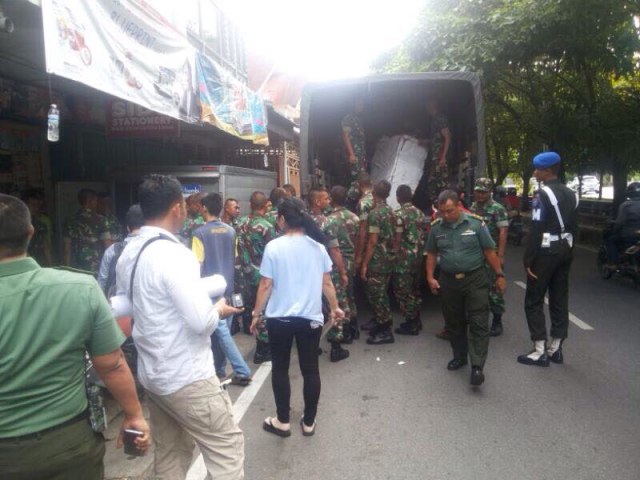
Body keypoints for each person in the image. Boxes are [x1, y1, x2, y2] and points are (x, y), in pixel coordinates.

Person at [0, 194, 150, 479]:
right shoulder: (79, 288)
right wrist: (134, 416)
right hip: (69, 447)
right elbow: (112, 364)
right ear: (31, 232)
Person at [115, 175, 244, 479]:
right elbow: (202, 322)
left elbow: (139, 305)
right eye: (186, 205)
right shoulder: (175, 255)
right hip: (188, 377)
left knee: (171, 452)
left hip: (154, 376)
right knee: (226, 446)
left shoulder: (129, 252)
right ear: (176, 208)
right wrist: (218, 308)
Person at [250, 197, 345, 437]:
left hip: (279, 320)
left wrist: (256, 313)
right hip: (311, 319)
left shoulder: (274, 246)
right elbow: (326, 283)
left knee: (280, 368)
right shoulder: (318, 247)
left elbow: (265, 285)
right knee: (310, 369)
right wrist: (335, 308)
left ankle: (282, 421)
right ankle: (309, 422)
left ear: (281, 219)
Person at [425, 190, 506, 386]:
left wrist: (499, 274)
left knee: (478, 320)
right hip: (449, 281)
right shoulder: (436, 227)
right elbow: (431, 253)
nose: (446, 215)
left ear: (459, 206)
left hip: (475, 279)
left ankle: (477, 366)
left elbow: (489, 251)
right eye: (442, 211)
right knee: (454, 321)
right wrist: (430, 277)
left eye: (450, 211)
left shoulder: (476, 224)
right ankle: (460, 356)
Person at [519, 152, 577, 367]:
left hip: (545, 252)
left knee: (533, 300)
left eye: (537, 169)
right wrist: (569, 252)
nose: (535, 173)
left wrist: (528, 260)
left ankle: (539, 350)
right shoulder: (572, 194)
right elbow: (574, 227)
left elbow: (537, 228)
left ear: (547, 171)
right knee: (559, 298)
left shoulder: (542, 194)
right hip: (565, 250)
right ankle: (556, 348)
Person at [192, 193, 252, 386]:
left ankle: (242, 370)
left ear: (203, 208)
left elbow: (197, 265)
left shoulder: (199, 233)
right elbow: (233, 258)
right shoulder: (230, 231)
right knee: (221, 332)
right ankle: (218, 370)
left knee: (221, 333)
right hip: (228, 289)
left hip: (209, 292)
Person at [308, 187, 350, 362]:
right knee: (334, 305)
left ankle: (312, 346)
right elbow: (334, 250)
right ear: (318, 202)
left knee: (313, 309)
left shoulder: (304, 221)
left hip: (309, 273)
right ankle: (336, 347)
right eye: (326, 198)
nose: (329, 200)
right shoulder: (327, 222)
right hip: (326, 272)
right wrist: (343, 272)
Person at [237, 191, 277, 363]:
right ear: (266, 204)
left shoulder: (240, 223)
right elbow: (274, 252)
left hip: (246, 272)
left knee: (253, 306)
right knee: (263, 311)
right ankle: (262, 349)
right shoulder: (266, 226)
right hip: (262, 274)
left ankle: (255, 336)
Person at [470, 178, 509, 336]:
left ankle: (497, 321)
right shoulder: (473, 207)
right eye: (477, 191)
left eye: (483, 192)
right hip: (474, 255)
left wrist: (500, 255)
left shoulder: (497, 208)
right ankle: (478, 320)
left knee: (494, 289)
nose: (479, 195)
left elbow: (503, 232)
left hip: (491, 255)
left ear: (489, 192)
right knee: (475, 288)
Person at [360, 180, 397, 345]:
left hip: (377, 261)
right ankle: (379, 322)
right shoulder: (391, 212)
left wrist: (365, 263)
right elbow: (397, 236)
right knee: (381, 292)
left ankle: (385, 330)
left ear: (373, 193)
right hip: (387, 259)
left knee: (378, 295)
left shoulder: (375, 214)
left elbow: (372, 242)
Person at [393, 185, 429, 336]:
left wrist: (392, 255)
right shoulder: (420, 213)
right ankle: (417, 319)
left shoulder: (398, 215)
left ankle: (411, 323)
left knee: (403, 292)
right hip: (418, 258)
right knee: (415, 290)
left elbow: (397, 239)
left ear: (398, 198)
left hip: (403, 259)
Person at [328, 185, 361, 341]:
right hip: (351, 260)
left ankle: (344, 331)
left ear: (331, 199)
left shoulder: (330, 220)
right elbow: (360, 240)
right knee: (351, 294)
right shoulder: (354, 217)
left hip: (337, 263)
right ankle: (354, 328)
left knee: (340, 298)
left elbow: (333, 249)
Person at [97, 204, 145, 295]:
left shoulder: (112, 250)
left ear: (127, 228)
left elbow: (102, 283)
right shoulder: (156, 250)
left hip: (116, 305)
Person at [64, 188, 113, 273]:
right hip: (95, 267)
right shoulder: (101, 220)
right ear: (90, 201)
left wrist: (67, 270)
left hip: (76, 268)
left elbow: (66, 250)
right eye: (95, 200)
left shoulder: (70, 221)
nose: (97, 203)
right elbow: (108, 246)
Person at [415, 98, 452, 210]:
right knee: (432, 183)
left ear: (432, 106)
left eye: (427, 107)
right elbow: (436, 140)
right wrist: (425, 141)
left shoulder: (440, 118)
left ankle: (442, 206)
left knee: (439, 184)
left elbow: (447, 137)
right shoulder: (434, 120)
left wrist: (443, 157)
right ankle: (437, 207)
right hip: (436, 158)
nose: (426, 110)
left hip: (440, 158)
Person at [606, 182, 640, 266]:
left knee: (611, 240)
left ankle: (613, 263)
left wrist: (615, 230)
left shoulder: (625, 205)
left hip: (629, 235)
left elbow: (619, 222)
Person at [342, 96, 367, 202]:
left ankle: (357, 201)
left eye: (362, 104)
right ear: (354, 105)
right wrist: (351, 154)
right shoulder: (348, 119)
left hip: (360, 154)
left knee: (360, 179)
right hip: (354, 155)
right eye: (359, 104)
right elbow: (345, 136)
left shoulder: (359, 119)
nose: (362, 107)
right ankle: (349, 202)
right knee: (356, 180)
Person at [22, 188, 53, 266]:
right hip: (24, 262)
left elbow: (46, 246)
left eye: (38, 205)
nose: (36, 208)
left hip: (40, 261)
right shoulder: (17, 224)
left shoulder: (41, 224)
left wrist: (51, 265)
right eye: (32, 204)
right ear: (25, 204)